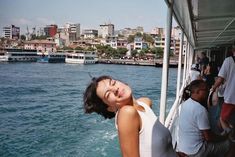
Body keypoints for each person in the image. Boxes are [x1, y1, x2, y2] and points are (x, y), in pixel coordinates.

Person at [83, 75, 177, 157]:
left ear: (123, 83)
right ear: (110, 108)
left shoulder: (144, 104)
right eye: (108, 94)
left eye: (113, 83)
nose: (115, 89)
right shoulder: (126, 113)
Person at [178, 80, 231, 157]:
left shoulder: (185, 103)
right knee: (230, 144)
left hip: (183, 148)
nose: (208, 91)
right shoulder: (200, 110)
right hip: (196, 151)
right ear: (198, 91)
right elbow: (208, 137)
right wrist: (223, 137)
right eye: (206, 89)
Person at [211, 46, 235, 142]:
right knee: (232, 120)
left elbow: (220, 79)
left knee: (222, 119)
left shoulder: (229, 61)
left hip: (230, 97)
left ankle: (230, 137)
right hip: (230, 97)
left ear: (233, 50)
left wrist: (213, 88)